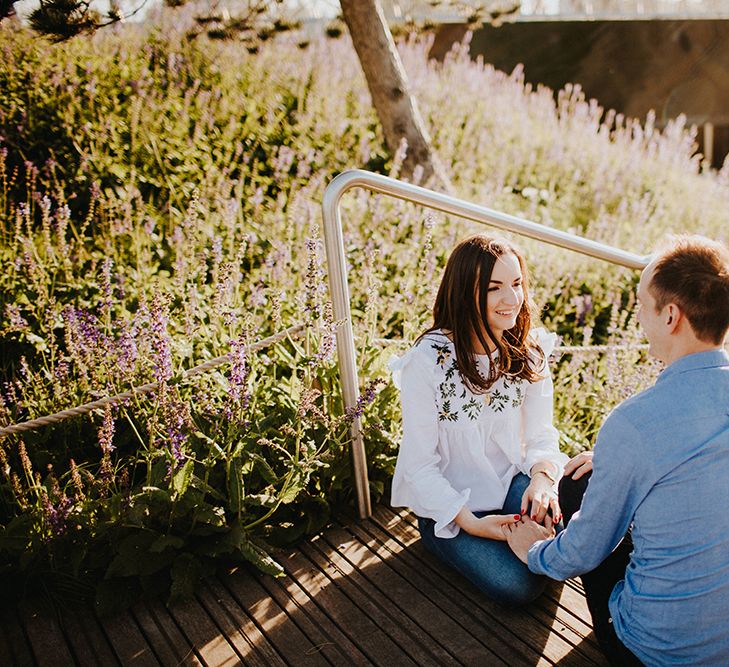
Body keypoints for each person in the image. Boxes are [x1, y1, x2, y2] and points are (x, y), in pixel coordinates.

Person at [504, 234, 729, 666]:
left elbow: (583, 552)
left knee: (574, 488)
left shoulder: (636, 423)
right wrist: (615, 463)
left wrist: (534, 552)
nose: (636, 313)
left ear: (670, 316)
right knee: (593, 477)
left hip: (654, 651)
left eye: (641, 303)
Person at [389, 233, 567, 606]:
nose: (512, 299)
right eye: (494, 288)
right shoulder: (427, 363)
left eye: (517, 284)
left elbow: (541, 435)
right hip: (453, 506)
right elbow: (420, 467)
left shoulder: (527, 352)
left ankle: (536, 546)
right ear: (465, 292)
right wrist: (471, 523)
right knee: (516, 586)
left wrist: (541, 480)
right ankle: (464, 545)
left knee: (564, 536)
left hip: (512, 484)